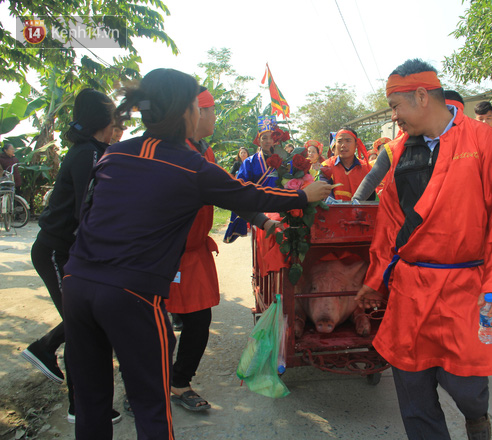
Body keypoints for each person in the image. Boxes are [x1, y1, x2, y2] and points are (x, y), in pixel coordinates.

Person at [60, 68, 331, 439]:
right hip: (130, 295)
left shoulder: (114, 154)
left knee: (91, 402)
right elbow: (248, 195)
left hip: (76, 285)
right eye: (199, 106)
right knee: (151, 403)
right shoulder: (190, 166)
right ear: (185, 111)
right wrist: (304, 195)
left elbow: (86, 216)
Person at [355, 59, 492, 440]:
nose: (394, 116)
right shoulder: (399, 151)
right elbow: (390, 224)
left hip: (465, 287)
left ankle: (476, 418)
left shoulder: (484, 142)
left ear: (422, 96)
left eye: (396, 105)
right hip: (410, 288)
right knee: (411, 385)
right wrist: (375, 280)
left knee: (467, 385)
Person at [21, 88, 122, 424]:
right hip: (55, 251)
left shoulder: (94, 151)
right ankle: (76, 399)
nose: (117, 126)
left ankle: (75, 394)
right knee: (83, 327)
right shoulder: (86, 155)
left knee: (86, 325)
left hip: (68, 252)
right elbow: (87, 211)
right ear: (103, 120)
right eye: (113, 119)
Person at [163, 87, 217, 413]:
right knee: (156, 324)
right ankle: (144, 386)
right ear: (195, 113)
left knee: (198, 320)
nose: (214, 117)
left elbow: (227, 189)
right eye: (210, 110)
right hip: (167, 254)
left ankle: (179, 381)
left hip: (194, 253)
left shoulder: (203, 151)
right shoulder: (175, 153)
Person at [223, 115, 289, 243]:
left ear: (276, 140)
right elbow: (241, 187)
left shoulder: (286, 162)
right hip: (260, 213)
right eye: (264, 138)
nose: (268, 141)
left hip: (282, 210)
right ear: (258, 141)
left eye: (271, 137)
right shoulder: (249, 162)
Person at [319, 127, 371, 201]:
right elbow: (324, 194)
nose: (343, 145)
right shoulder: (327, 166)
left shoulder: (366, 168)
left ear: (356, 145)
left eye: (348, 141)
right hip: (334, 210)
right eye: (339, 141)